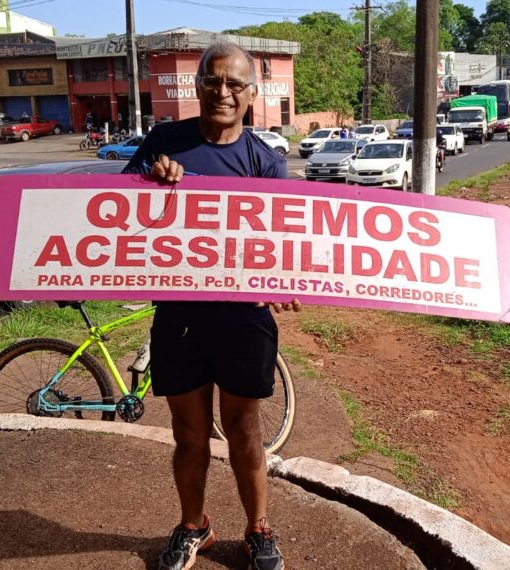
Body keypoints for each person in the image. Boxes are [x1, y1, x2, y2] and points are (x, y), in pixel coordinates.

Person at [122, 41, 296, 570]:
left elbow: (282, 241)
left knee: (244, 428)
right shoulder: (163, 142)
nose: (222, 92)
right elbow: (116, 209)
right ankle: (193, 524)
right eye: (212, 81)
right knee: (188, 433)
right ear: (196, 85)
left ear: (251, 93)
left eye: (234, 84)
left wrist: (285, 277)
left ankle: (258, 528)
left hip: (242, 317)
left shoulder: (265, 163)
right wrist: (150, 181)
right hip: (178, 315)